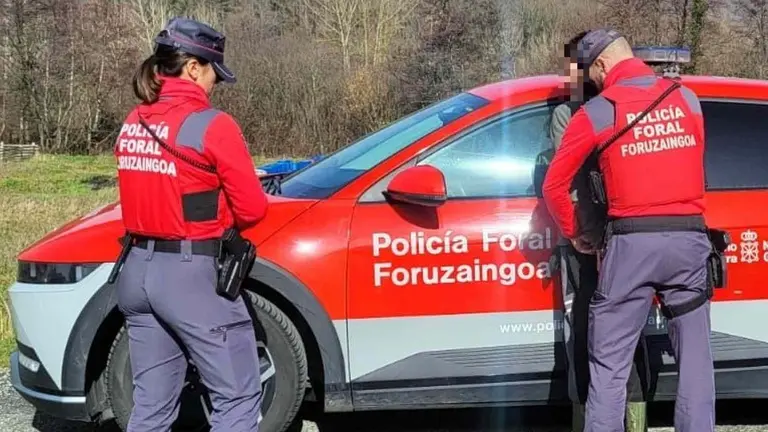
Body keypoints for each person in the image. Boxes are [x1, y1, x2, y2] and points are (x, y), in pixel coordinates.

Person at [542, 28, 714, 432]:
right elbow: (694, 163)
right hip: (689, 240)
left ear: (601, 64)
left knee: (608, 368)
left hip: (630, 245)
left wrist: (575, 233)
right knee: (695, 365)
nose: (594, 83)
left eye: (592, 74)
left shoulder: (598, 111)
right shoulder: (686, 99)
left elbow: (554, 185)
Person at [112, 17, 269, 432]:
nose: (215, 84)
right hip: (191, 276)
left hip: (137, 270)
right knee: (237, 400)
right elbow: (252, 209)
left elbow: (158, 193)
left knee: (151, 407)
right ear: (194, 67)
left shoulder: (135, 121)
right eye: (215, 73)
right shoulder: (212, 125)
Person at [550, 31, 650, 432]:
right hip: (608, 237)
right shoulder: (579, 110)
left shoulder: (580, 112)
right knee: (608, 336)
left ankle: (619, 420)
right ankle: (610, 419)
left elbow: (565, 181)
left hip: (609, 237)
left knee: (609, 338)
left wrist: (581, 231)